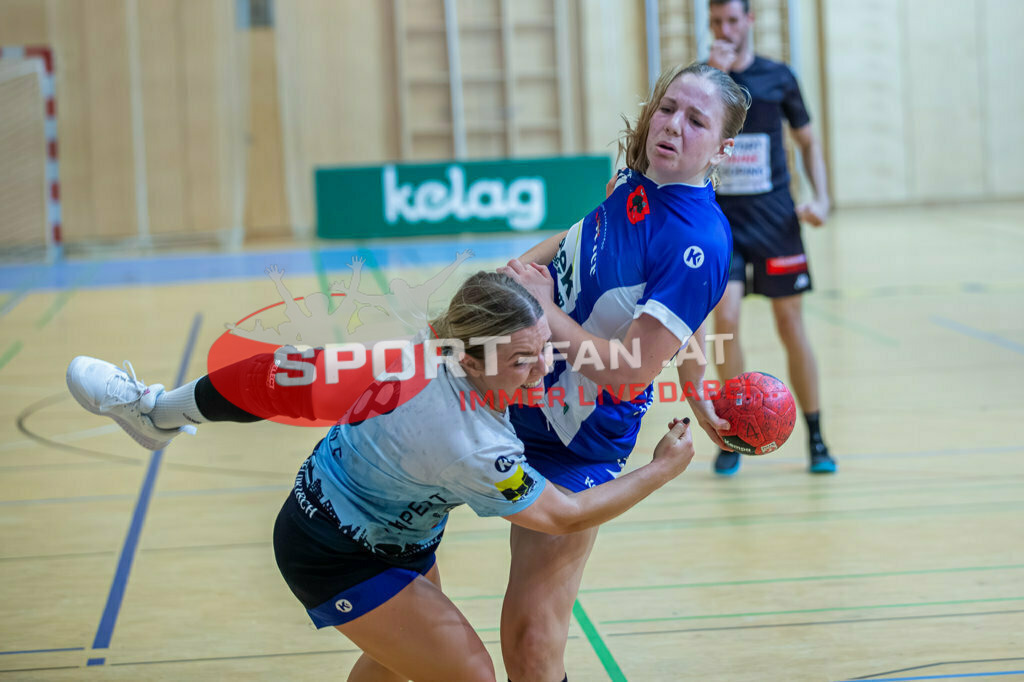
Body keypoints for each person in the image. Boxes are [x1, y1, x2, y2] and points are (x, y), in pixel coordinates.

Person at [66, 271, 697, 682]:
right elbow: (562, 515)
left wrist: (160, 410)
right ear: (469, 356)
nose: (542, 374)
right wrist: (659, 471)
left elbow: (266, 379)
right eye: (523, 362)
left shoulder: (414, 354)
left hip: (389, 533)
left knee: (393, 667)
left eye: (544, 351)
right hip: (337, 556)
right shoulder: (470, 442)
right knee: (469, 676)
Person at [496, 62, 748, 681]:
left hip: (572, 436)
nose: (672, 126)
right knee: (396, 582)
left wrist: (544, 311)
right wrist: (512, 273)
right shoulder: (637, 176)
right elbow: (582, 239)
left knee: (531, 640)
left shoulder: (700, 242)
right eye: (668, 108)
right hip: (507, 391)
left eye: (696, 121)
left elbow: (631, 373)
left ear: (722, 148)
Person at [705, 0, 836, 475]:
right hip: (723, 224)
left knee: (790, 323)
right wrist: (715, 83)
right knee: (728, 316)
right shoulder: (703, 80)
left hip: (776, 221)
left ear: (749, 21)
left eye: (732, 20)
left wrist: (820, 199)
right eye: (716, 22)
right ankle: (736, 428)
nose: (725, 29)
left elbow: (808, 141)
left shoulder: (779, 76)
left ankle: (816, 435)